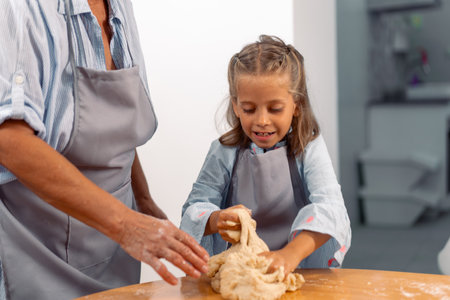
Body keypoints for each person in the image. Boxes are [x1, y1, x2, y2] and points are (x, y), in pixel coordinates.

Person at [0, 0, 209, 299]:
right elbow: (10, 141)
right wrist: (126, 224)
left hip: (115, 255)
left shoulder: (120, 6)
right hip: (37, 251)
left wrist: (144, 202)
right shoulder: (21, 7)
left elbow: (112, 125)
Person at [180, 35, 351, 277]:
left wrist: (288, 255)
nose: (262, 120)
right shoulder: (223, 151)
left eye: (275, 108)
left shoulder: (308, 147)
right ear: (236, 106)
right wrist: (217, 219)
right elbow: (193, 209)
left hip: (301, 270)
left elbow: (331, 210)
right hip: (241, 272)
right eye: (249, 109)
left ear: (297, 105)